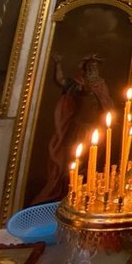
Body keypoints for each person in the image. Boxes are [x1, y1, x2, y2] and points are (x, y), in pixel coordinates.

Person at [32, 54, 114, 205]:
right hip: (79, 129)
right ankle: (66, 194)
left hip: (95, 129)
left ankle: (86, 194)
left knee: (91, 162)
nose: (93, 69)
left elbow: (106, 103)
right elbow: (61, 81)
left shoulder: (101, 84)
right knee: (74, 159)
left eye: (95, 67)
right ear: (85, 69)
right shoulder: (78, 83)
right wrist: (58, 64)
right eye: (90, 67)